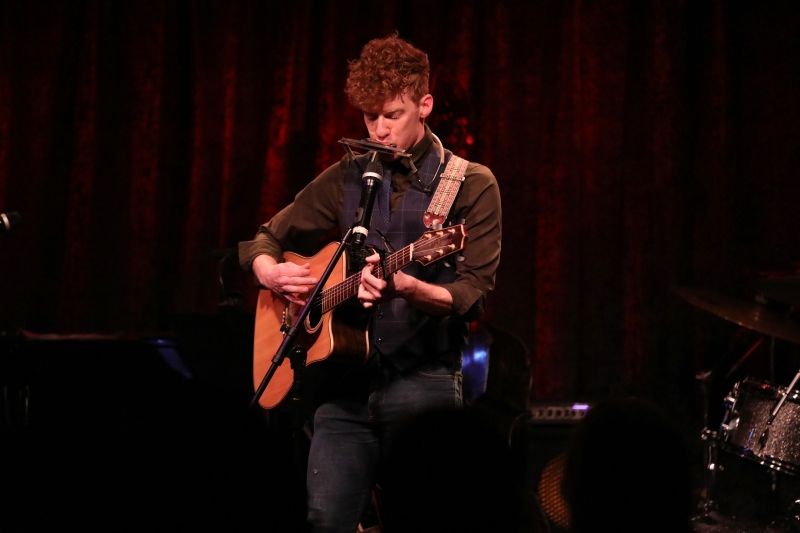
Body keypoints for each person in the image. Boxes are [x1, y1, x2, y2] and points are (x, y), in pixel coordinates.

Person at [239, 33, 501, 532]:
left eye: (392, 115)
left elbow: (471, 294)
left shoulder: (469, 183)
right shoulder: (350, 174)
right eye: (369, 117)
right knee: (325, 519)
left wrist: (410, 287)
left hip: (423, 383)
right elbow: (267, 237)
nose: (378, 129)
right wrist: (267, 270)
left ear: (424, 105)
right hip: (342, 387)